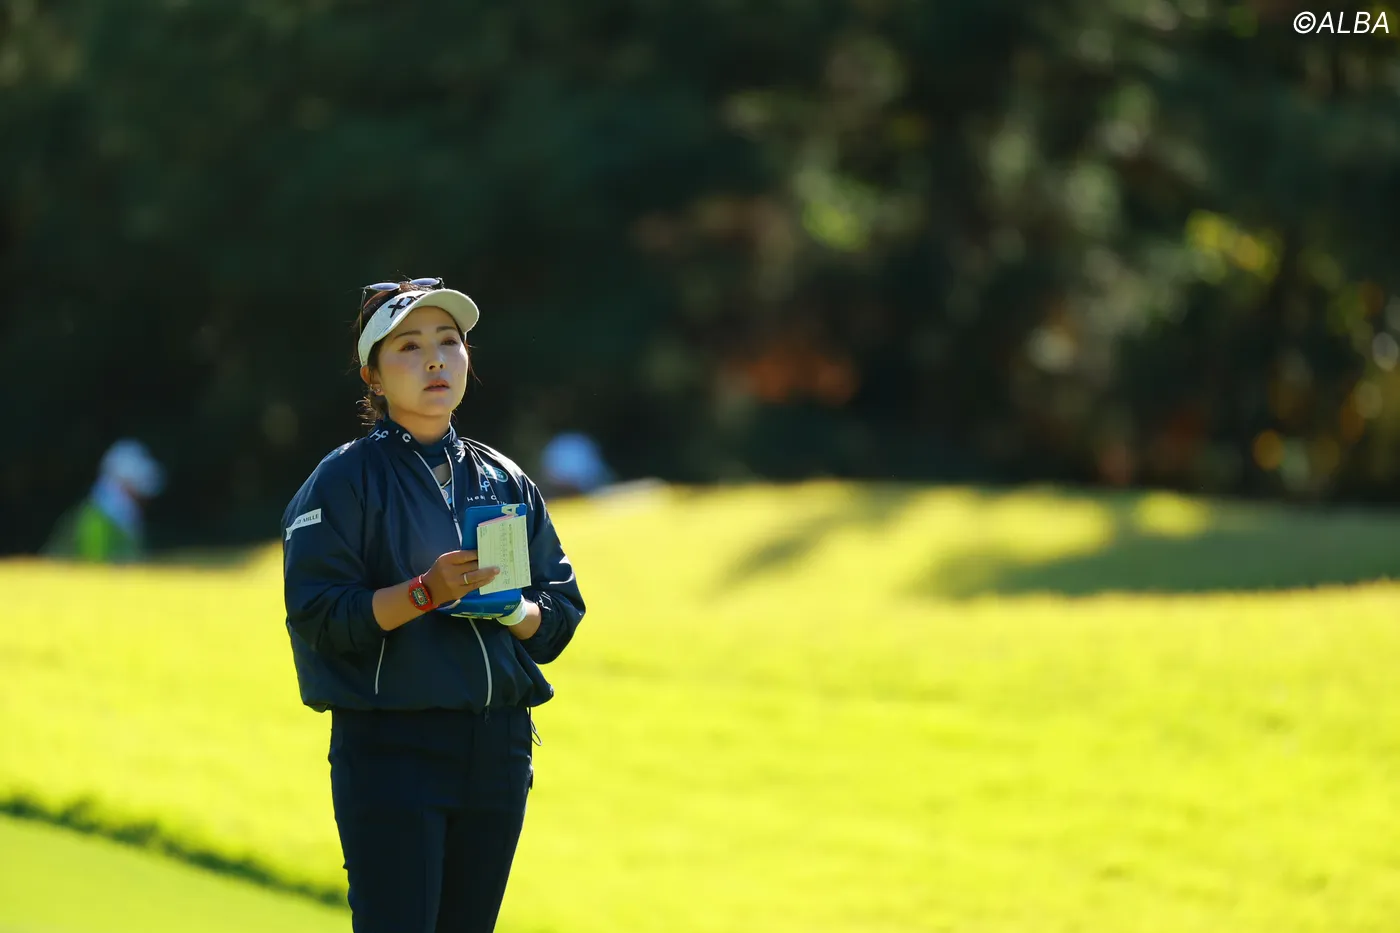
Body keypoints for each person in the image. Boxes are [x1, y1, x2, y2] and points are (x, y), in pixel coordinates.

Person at [280, 277, 586, 933]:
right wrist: (426, 592)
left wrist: (511, 610)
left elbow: (559, 614)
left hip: (498, 748)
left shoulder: (506, 478)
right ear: (373, 376)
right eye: (410, 347)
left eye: (449, 342)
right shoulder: (343, 478)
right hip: (393, 747)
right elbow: (321, 616)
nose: (435, 360)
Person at [43, 438, 166, 562]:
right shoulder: (94, 519)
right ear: (124, 485)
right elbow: (94, 568)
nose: (146, 499)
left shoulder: (120, 517)